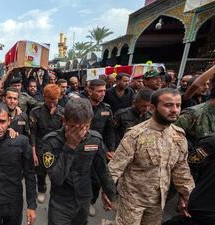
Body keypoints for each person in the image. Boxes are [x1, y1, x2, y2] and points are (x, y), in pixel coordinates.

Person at [108, 88, 195, 225]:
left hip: (158, 201)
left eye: (178, 105)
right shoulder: (135, 135)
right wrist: (107, 191)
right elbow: (115, 167)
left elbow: (181, 169)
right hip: (132, 200)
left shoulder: (178, 136)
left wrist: (188, 196)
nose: (175, 110)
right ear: (153, 107)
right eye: (168, 105)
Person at [42, 98, 116, 225]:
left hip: (84, 198)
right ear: (64, 120)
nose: (80, 133)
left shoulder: (94, 139)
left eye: (85, 127)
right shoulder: (51, 142)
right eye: (72, 127)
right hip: (61, 202)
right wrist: (70, 146)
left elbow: (103, 171)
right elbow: (56, 179)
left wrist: (110, 194)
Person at [84, 79, 115, 215]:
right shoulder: (81, 106)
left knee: (96, 179)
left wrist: (111, 149)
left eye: (104, 90)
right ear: (90, 91)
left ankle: (91, 201)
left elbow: (109, 131)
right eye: (99, 91)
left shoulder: (106, 109)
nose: (103, 93)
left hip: (99, 149)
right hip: (81, 147)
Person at [29, 84, 64, 204]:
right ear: (44, 97)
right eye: (50, 101)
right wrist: (33, 153)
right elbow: (32, 133)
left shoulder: (63, 112)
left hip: (57, 148)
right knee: (40, 172)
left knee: (57, 173)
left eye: (55, 101)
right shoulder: (36, 112)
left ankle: (57, 193)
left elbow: (65, 133)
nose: (53, 104)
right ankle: (41, 190)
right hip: (40, 146)